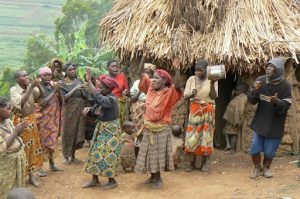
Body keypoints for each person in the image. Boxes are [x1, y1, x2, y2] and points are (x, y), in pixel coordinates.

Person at [135, 59, 183, 189]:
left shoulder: (169, 92)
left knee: (159, 155)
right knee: (149, 154)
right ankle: (152, 176)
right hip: (149, 127)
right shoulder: (150, 88)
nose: (153, 80)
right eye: (153, 78)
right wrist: (143, 57)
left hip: (161, 129)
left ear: (164, 82)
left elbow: (177, 86)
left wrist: (177, 70)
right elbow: (140, 74)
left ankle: (158, 178)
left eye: (156, 79)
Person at [248, 57, 292, 179]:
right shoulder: (260, 81)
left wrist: (277, 102)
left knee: (270, 151)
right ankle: (257, 168)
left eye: (271, 67)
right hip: (261, 121)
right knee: (255, 148)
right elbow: (251, 101)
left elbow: (286, 106)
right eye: (267, 66)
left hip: (275, 124)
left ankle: (266, 167)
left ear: (278, 70)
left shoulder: (285, 86)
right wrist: (255, 90)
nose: (268, 68)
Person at [83, 69, 121, 190]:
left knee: (108, 155)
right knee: (94, 153)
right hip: (101, 129)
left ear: (108, 88)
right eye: (98, 87)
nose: (99, 89)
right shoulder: (105, 96)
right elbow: (97, 110)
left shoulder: (111, 99)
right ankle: (95, 180)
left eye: (101, 87)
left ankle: (112, 181)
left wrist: (89, 82)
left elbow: (101, 100)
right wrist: (90, 110)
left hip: (111, 131)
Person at [10, 70, 44, 187]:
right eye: (24, 76)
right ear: (17, 79)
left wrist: (38, 84)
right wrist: (31, 88)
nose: (27, 77)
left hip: (31, 119)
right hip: (21, 121)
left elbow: (41, 97)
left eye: (27, 74)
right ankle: (19, 177)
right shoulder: (13, 90)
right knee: (22, 148)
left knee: (33, 148)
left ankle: (32, 176)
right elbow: (21, 103)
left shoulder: (31, 87)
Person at [183, 60, 218, 172]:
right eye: (196, 70)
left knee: (206, 136)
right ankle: (191, 162)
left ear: (206, 70)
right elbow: (185, 96)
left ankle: (205, 162)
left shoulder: (212, 79)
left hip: (208, 110)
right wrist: (192, 94)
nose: (197, 72)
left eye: (200, 70)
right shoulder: (191, 79)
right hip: (195, 110)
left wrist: (212, 83)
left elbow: (213, 97)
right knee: (192, 136)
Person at [35, 67, 63, 174]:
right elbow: (43, 103)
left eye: (49, 75)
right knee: (42, 142)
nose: (47, 77)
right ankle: (40, 168)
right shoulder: (38, 88)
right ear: (40, 76)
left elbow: (61, 100)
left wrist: (58, 90)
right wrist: (55, 91)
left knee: (53, 141)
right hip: (43, 120)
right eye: (45, 75)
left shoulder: (52, 85)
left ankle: (52, 164)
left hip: (53, 119)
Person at [0, 97, 27, 199]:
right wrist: (16, 131)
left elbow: (14, 136)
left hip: (15, 162)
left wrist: (20, 129)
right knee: (6, 189)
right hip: (6, 166)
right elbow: (2, 148)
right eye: (8, 108)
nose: (10, 111)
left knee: (17, 188)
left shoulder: (7, 121)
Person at [60, 62, 86, 164]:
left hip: (79, 109)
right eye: (70, 70)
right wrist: (75, 88)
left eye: (74, 69)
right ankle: (66, 156)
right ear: (65, 72)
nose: (72, 71)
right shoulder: (62, 83)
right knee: (67, 132)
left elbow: (84, 95)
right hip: (68, 110)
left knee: (77, 132)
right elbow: (64, 98)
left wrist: (84, 90)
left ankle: (73, 156)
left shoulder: (79, 80)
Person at [130, 62, 156, 157]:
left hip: (150, 109)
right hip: (138, 110)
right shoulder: (137, 82)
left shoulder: (155, 83)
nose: (146, 75)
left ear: (153, 74)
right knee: (138, 132)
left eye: (149, 72)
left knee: (149, 132)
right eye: (145, 72)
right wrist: (140, 90)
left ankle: (148, 157)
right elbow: (131, 99)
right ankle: (138, 157)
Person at [223, 83, 249, 155]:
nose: (236, 91)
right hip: (231, 119)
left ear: (242, 91)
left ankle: (232, 150)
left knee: (233, 133)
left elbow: (240, 110)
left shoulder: (242, 98)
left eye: (237, 90)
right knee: (226, 131)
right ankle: (228, 145)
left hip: (235, 120)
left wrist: (238, 120)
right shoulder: (237, 97)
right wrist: (232, 95)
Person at [106, 60, 129, 131]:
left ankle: (119, 140)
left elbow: (127, 90)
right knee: (109, 124)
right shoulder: (104, 78)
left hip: (120, 105)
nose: (116, 68)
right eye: (113, 66)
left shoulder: (122, 77)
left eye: (117, 67)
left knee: (120, 124)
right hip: (108, 103)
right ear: (107, 68)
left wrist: (126, 92)